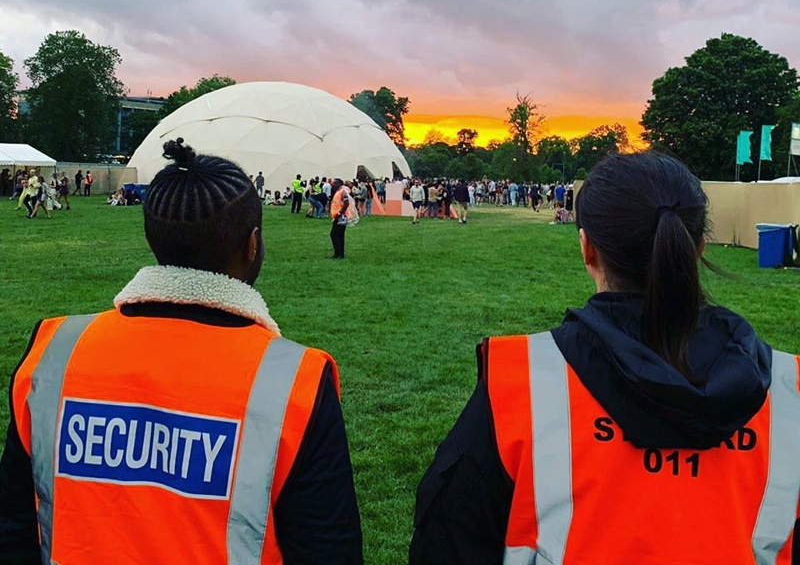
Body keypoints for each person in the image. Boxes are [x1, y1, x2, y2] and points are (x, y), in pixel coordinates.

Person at [410, 152, 800, 564]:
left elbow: (447, 542)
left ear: (587, 249)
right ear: (699, 246)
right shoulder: (789, 390)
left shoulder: (520, 385)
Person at [0, 138, 363, 564]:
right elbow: (328, 547)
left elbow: (15, 525)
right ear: (253, 245)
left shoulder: (54, 352)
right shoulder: (293, 381)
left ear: (152, 237)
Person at [330, 178, 353, 258]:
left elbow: (346, 203)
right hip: (337, 215)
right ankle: (338, 253)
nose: (333, 185)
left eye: (334, 183)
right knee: (338, 235)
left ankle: (339, 253)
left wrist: (340, 213)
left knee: (335, 234)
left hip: (341, 216)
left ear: (339, 184)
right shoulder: (339, 191)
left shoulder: (343, 191)